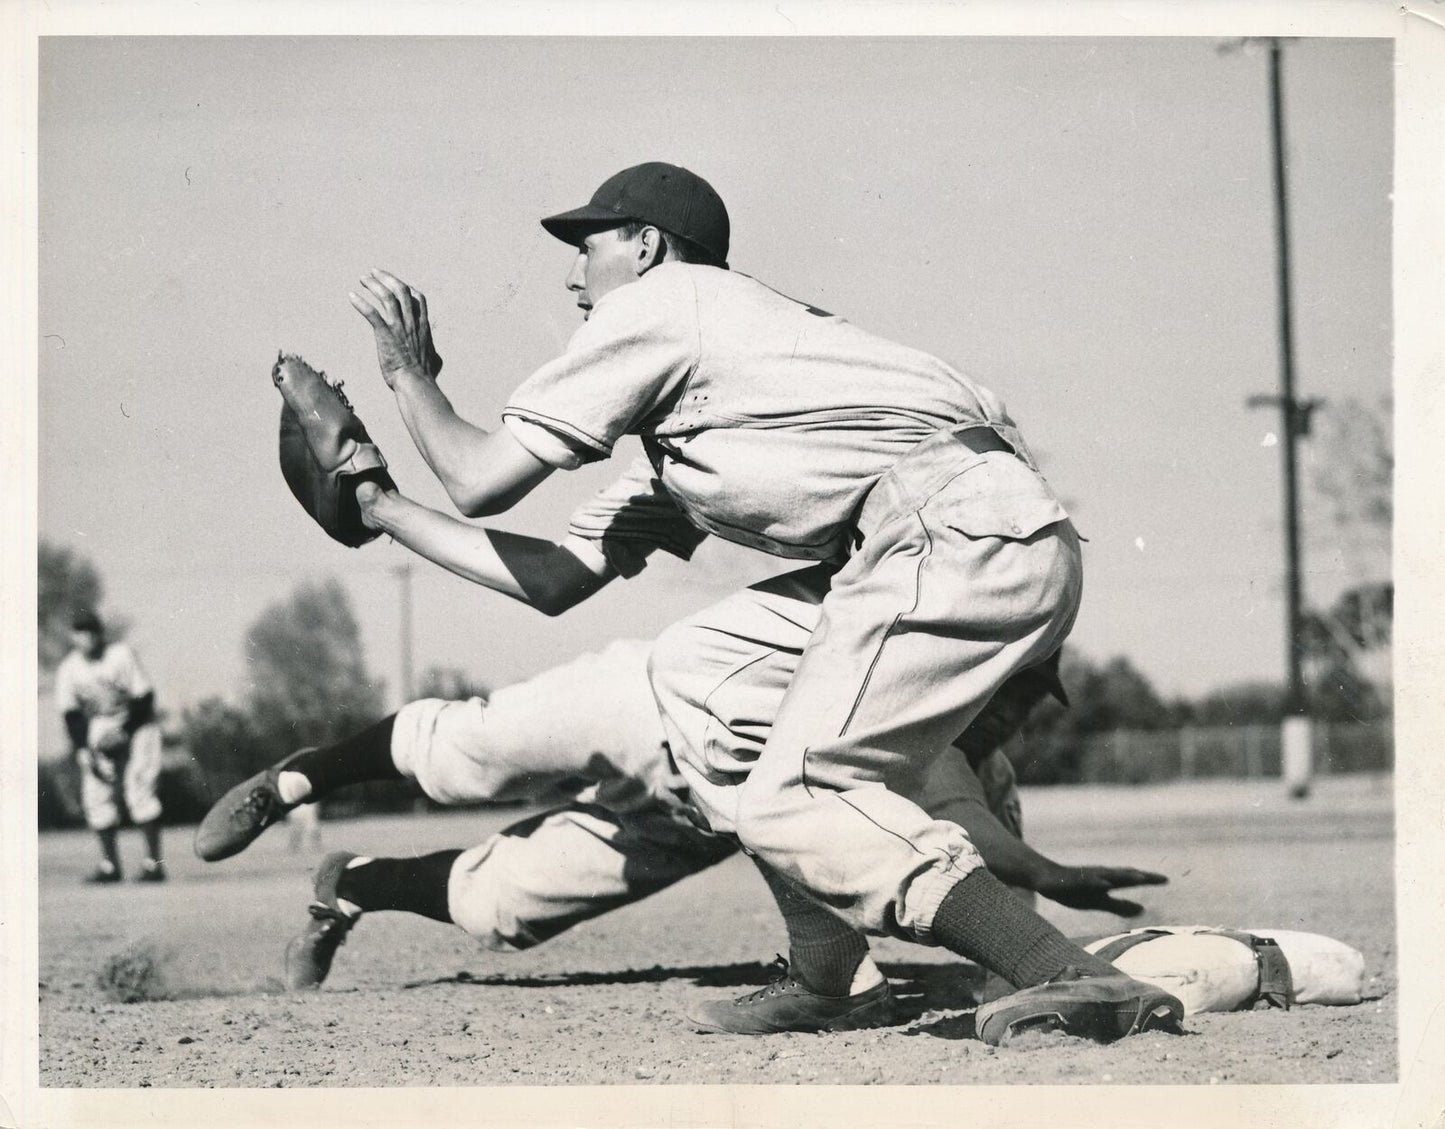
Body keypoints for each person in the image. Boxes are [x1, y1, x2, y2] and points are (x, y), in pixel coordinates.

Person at [212, 161, 1182, 1042]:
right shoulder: (715, 400)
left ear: (648, 246)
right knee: (708, 702)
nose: (570, 275)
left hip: (947, 525)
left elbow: (478, 479)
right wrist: (380, 507)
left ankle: (1067, 974)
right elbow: (552, 577)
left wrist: (407, 376)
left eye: (587, 246)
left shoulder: (672, 301)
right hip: (930, 537)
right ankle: (825, 977)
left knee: (789, 791)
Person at [196, 639, 1167, 1032]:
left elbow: (971, 855)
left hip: (712, 805)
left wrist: (1030, 957)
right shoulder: (903, 677)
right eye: (1014, 689)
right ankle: (296, 775)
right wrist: (1042, 874)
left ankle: (351, 881)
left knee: (499, 906)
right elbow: (953, 812)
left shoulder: (976, 755)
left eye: (1032, 699)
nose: (1016, 714)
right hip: (654, 704)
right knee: (470, 745)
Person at [54, 609, 166, 883]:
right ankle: (109, 867)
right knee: (95, 794)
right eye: (81, 632)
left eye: (91, 631)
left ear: (100, 633)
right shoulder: (69, 668)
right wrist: (83, 749)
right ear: (73, 636)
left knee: (139, 788)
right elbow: (71, 714)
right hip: (100, 725)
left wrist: (125, 733)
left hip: (137, 723)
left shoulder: (120, 654)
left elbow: (145, 697)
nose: (87, 637)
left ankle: (154, 865)